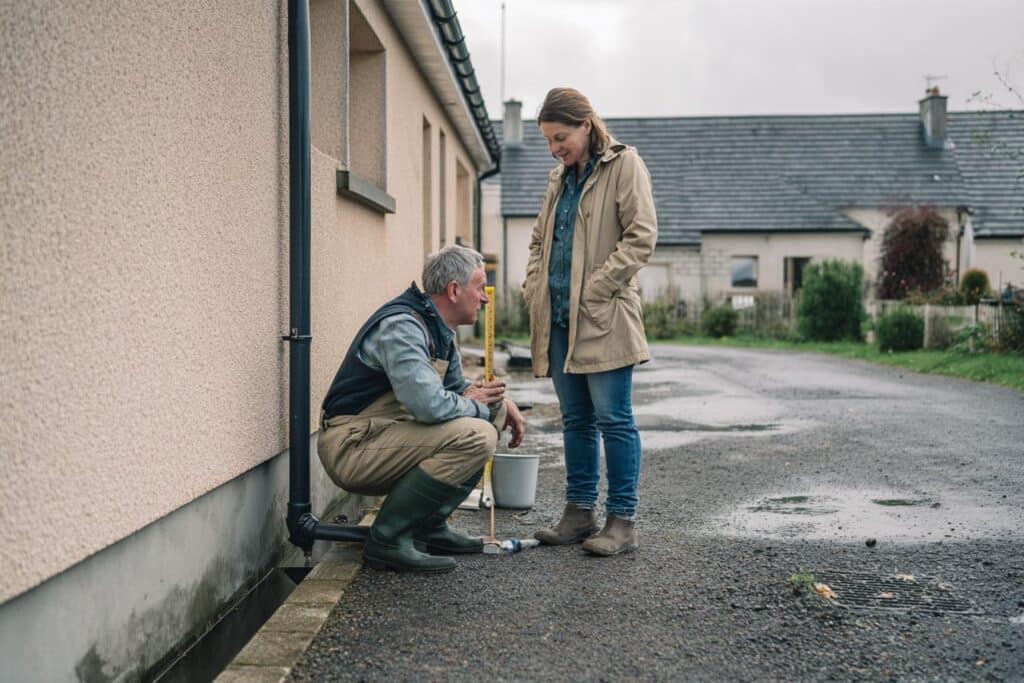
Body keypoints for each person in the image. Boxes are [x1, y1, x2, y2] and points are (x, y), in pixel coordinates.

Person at [318, 245, 525, 573]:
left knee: (492, 414)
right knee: (477, 433)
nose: (485, 298)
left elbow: (457, 392)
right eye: (479, 287)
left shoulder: (439, 329)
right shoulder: (404, 326)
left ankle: (429, 526)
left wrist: (501, 403)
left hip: (387, 433)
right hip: (353, 445)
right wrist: (477, 407)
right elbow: (428, 405)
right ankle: (386, 540)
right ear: (454, 290)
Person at [523, 87, 657, 557]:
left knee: (613, 419)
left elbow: (641, 237)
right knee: (576, 420)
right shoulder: (558, 178)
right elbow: (539, 242)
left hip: (604, 317)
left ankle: (622, 522)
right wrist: (533, 287)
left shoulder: (625, 165)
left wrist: (597, 288)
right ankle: (580, 513)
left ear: (586, 124)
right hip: (557, 320)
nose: (555, 148)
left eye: (561, 137)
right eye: (548, 141)